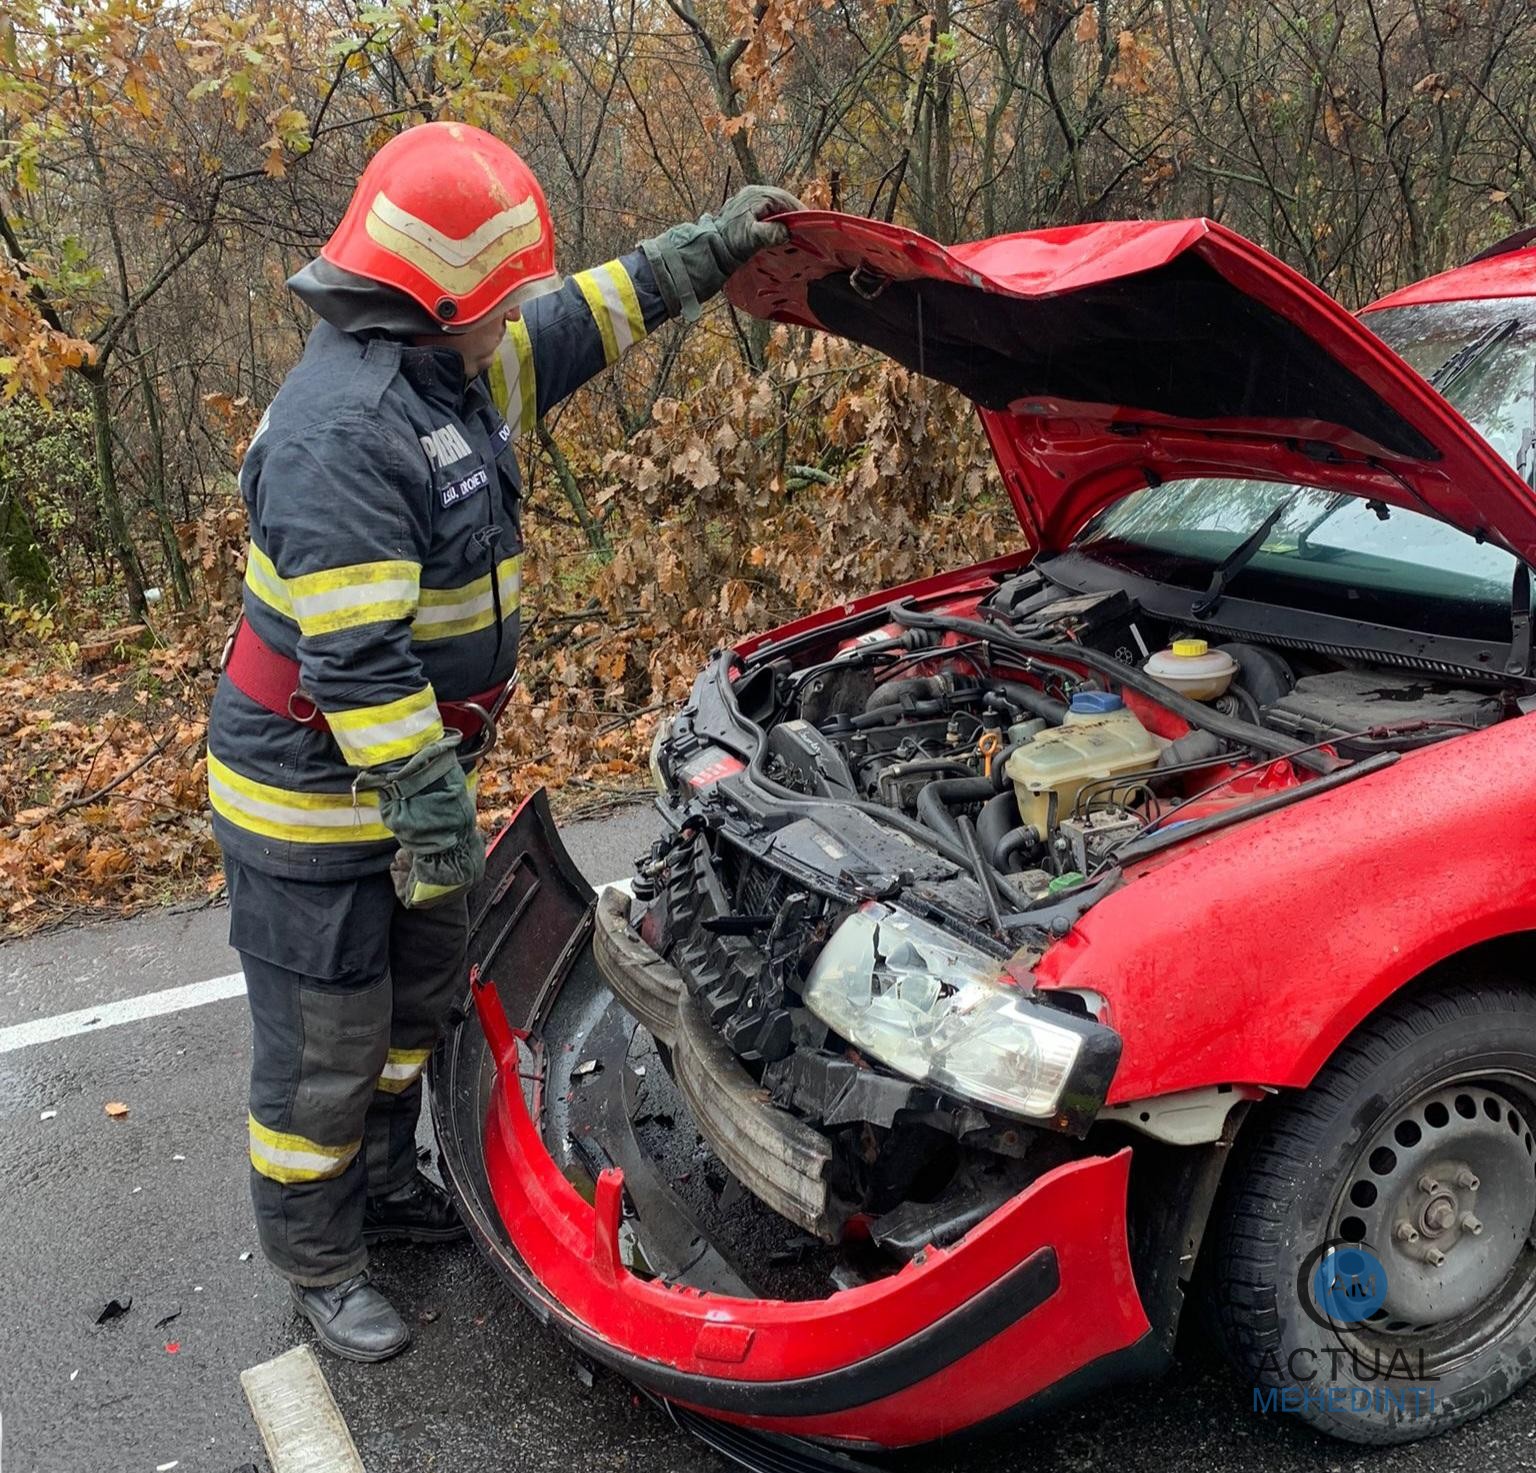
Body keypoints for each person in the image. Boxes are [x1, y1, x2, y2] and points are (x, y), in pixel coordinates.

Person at [207, 119, 801, 1362]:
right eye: (499, 301)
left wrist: (707, 251)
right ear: (436, 300)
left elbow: (584, 314)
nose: (514, 320)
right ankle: (320, 1258)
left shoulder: (452, 367)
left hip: (414, 779)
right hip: (315, 803)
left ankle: (384, 1186)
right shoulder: (340, 434)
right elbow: (356, 664)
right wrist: (431, 823)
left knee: (417, 1006)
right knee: (327, 1046)